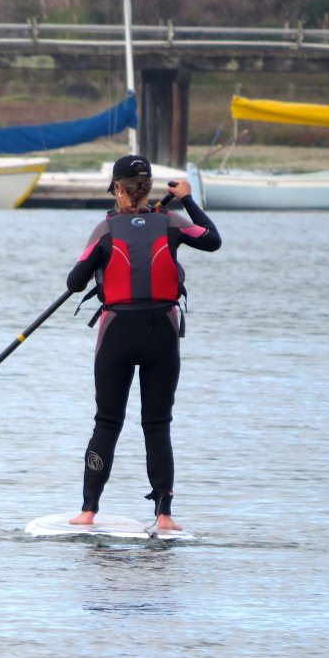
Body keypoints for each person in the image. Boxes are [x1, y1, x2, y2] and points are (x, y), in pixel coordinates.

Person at [65, 155, 221, 531]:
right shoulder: (171, 222)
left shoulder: (105, 229)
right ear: (148, 188)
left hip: (117, 334)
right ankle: (164, 515)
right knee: (157, 424)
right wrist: (186, 198)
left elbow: (74, 282)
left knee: (107, 422)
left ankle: (88, 510)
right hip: (161, 336)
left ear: (117, 188)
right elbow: (212, 241)